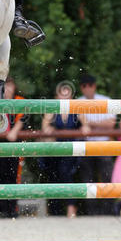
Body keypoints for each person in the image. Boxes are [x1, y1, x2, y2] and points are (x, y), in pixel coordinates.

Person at [40, 82, 88, 217]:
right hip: (55, 148)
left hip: (71, 148)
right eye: (63, 95)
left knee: (66, 174)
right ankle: (55, 210)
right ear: (57, 97)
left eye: (68, 96)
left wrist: (83, 128)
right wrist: (50, 129)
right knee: (53, 175)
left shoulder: (77, 109)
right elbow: (45, 127)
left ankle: (70, 207)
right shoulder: (51, 109)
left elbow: (86, 127)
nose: (65, 99)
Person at [77, 74, 116, 215]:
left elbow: (111, 125)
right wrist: (99, 125)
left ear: (94, 86)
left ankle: (107, 210)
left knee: (107, 178)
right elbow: (107, 124)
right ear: (81, 88)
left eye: (90, 85)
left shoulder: (106, 100)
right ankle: (92, 212)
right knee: (88, 179)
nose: (87, 88)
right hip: (88, 145)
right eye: (84, 86)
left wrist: (90, 124)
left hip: (103, 144)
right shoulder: (78, 102)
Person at [0, 77, 26, 218]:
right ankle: (2, 208)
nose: (7, 88)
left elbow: (23, 118)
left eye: (10, 85)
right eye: (5, 85)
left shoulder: (19, 100)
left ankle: (13, 208)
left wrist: (14, 131)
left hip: (14, 145)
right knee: (1, 175)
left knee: (13, 176)